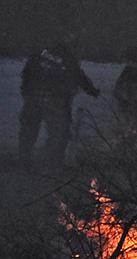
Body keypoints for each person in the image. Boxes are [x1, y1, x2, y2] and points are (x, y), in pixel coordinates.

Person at [19, 34, 99, 167]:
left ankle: (24, 161)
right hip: (55, 98)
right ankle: (52, 166)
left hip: (33, 96)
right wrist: (92, 91)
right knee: (58, 133)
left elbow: (26, 73)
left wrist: (27, 92)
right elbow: (78, 76)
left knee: (28, 130)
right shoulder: (68, 57)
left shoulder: (40, 53)